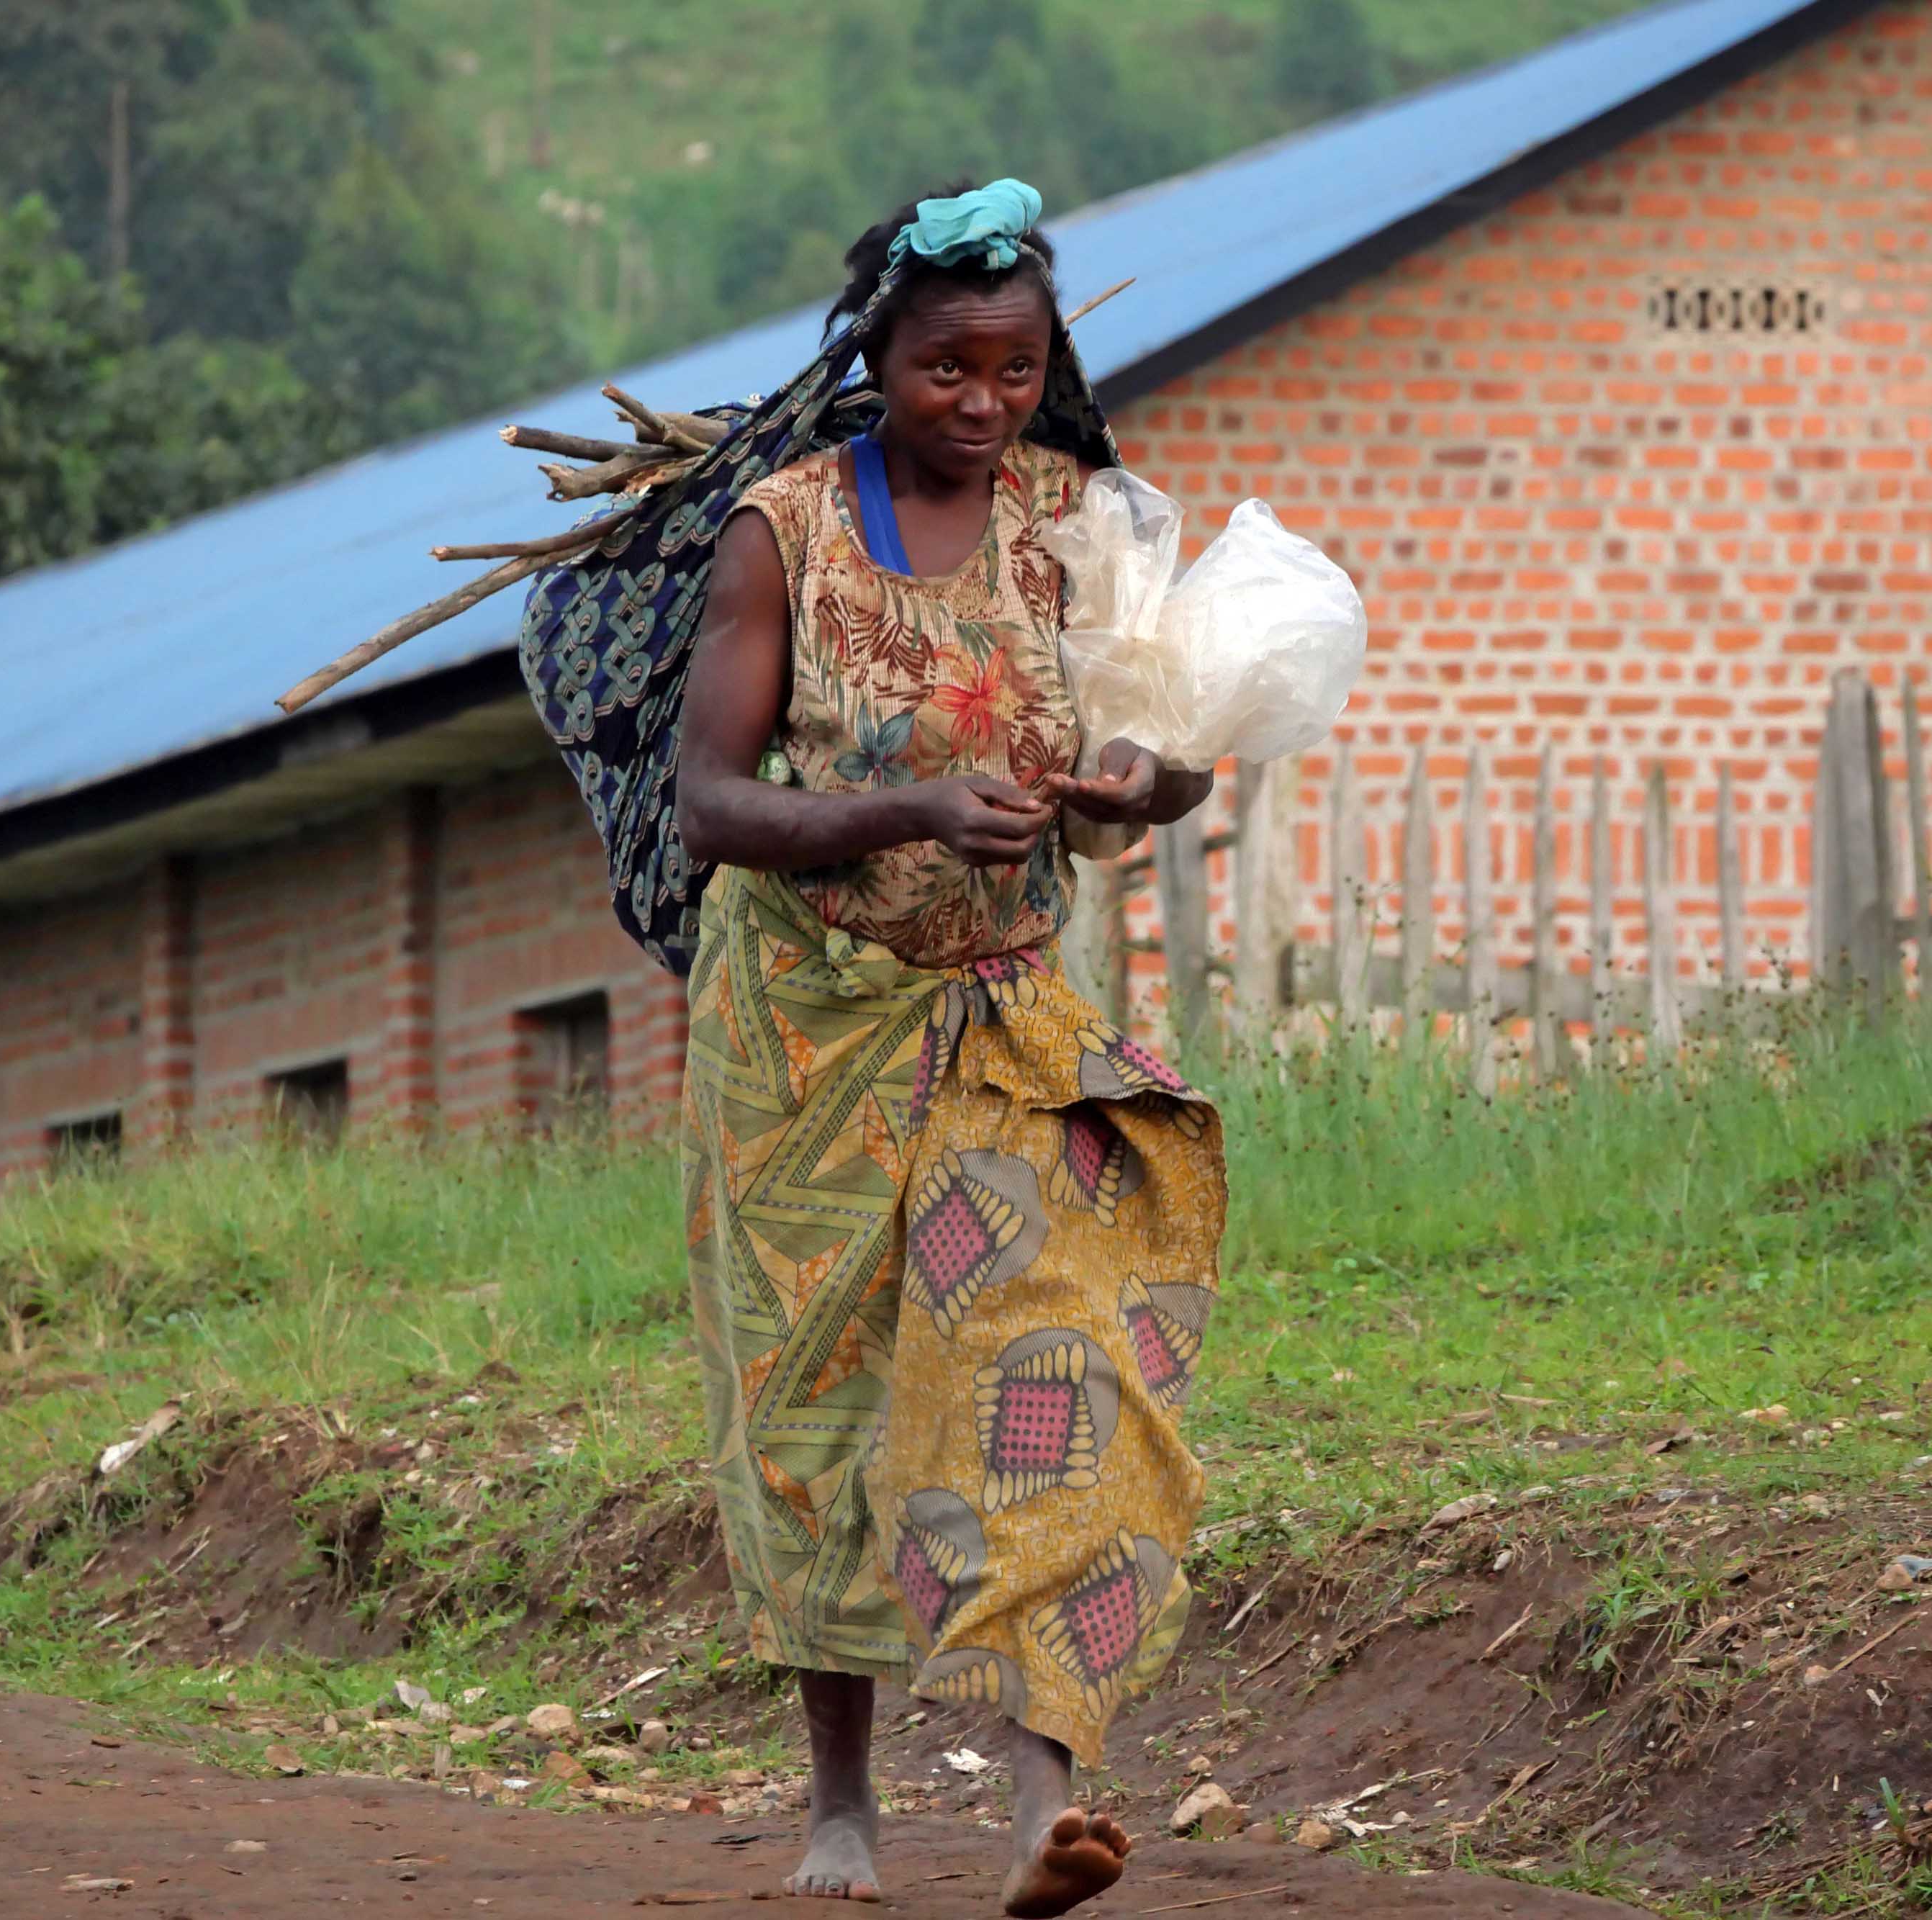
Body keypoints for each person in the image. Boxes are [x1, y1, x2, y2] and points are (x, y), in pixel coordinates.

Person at [670, 180, 1225, 1916]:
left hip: (1006, 1027)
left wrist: (1146, 777)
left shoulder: (1080, 523)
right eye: (943, 367)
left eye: (1014, 368)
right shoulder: (782, 535)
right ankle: (839, 1800)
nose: (980, 402)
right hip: (799, 1040)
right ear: (878, 354)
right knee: (816, 1412)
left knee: (1047, 1366)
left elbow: (1174, 743)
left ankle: (1035, 1801)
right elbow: (707, 799)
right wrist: (902, 801)